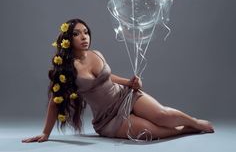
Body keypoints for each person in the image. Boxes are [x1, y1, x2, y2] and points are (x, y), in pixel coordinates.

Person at [22, 18, 214, 143]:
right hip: (109, 119)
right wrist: (46, 133)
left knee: (162, 115)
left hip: (124, 96)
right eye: (77, 33)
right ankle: (185, 130)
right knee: (150, 133)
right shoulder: (66, 70)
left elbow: (107, 78)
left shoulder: (96, 54)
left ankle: (195, 122)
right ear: (67, 39)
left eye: (86, 32)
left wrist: (129, 83)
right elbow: (55, 103)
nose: (84, 37)